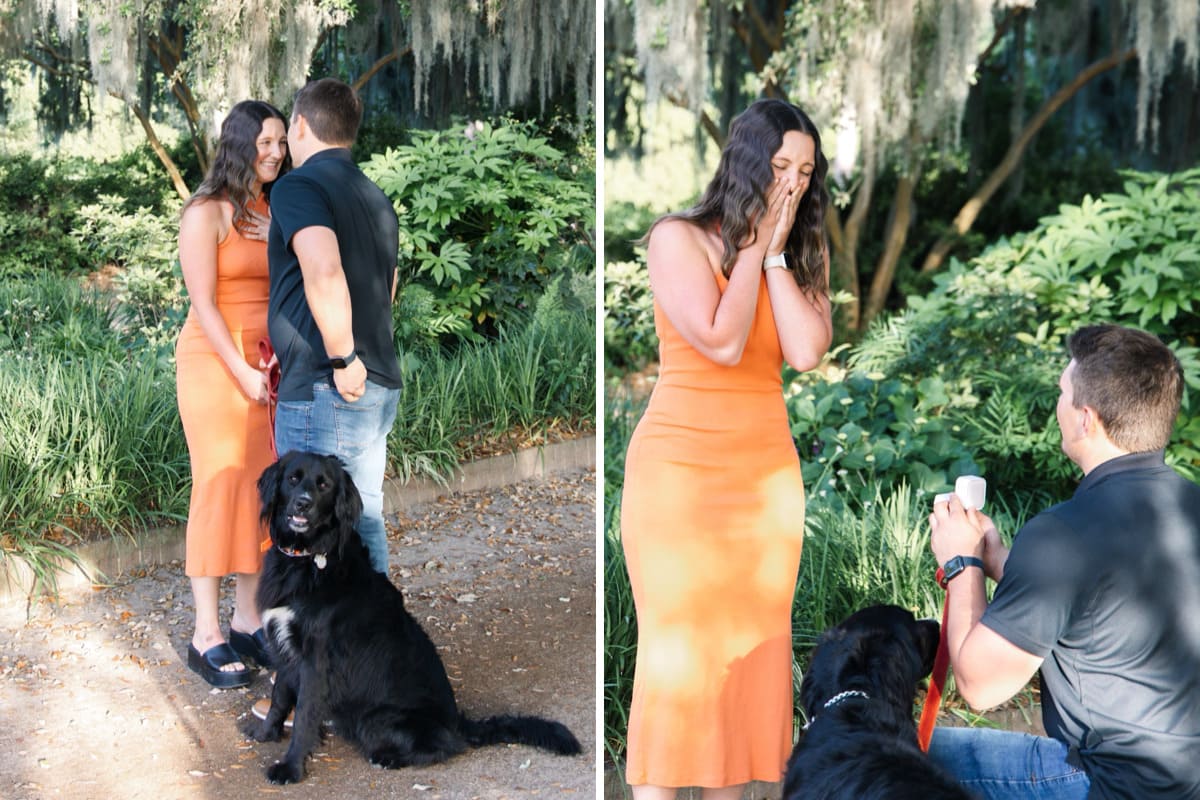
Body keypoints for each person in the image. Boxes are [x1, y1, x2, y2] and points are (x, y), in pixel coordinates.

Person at [620, 98, 834, 799]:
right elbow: (720, 339)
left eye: (804, 171)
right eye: (779, 167)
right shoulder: (676, 238)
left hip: (763, 481)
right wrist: (750, 249)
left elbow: (804, 351)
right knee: (678, 663)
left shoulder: (800, 250)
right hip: (679, 478)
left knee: (748, 666)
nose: (793, 184)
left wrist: (774, 255)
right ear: (747, 164)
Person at [928, 323, 1200, 799]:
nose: (1058, 405)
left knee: (895, 755)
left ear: (1085, 419)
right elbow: (1102, 604)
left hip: (1110, 784)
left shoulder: (1064, 534)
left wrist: (960, 565)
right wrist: (998, 562)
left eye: (1062, 392)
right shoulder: (1185, 504)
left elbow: (980, 686)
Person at [266, 77, 402, 575]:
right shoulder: (373, 194)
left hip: (330, 385)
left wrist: (343, 358)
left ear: (300, 124)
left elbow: (323, 269)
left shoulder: (299, 186)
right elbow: (387, 288)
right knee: (361, 517)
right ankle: (375, 640)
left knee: (308, 523)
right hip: (377, 379)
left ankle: (323, 647)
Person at [176, 99, 289, 688]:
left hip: (265, 363)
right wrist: (240, 371)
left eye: (280, 143)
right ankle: (205, 635)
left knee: (259, 491)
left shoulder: (271, 209)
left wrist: (281, 235)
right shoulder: (207, 211)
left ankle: (247, 621)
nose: (274, 153)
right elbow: (204, 305)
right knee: (220, 485)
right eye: (264, 142)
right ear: (241, 144)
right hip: (216, 363)